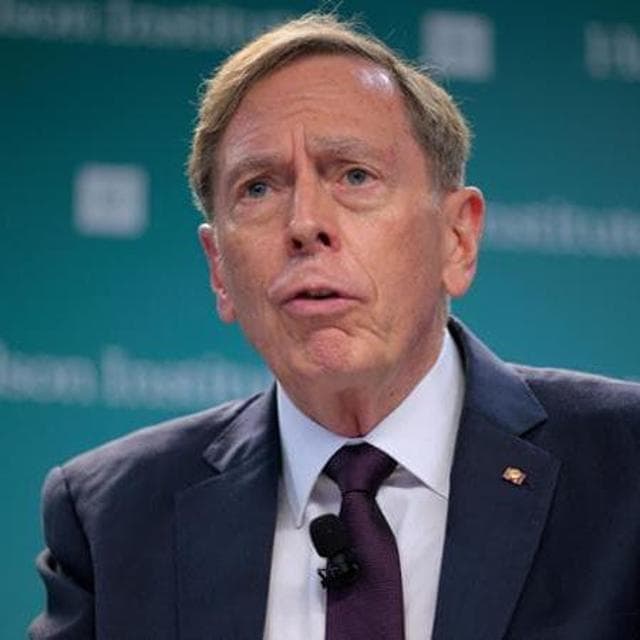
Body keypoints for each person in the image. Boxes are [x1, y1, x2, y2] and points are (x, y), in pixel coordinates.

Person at [29, 13, 640, 640]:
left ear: (457, 237)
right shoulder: (111, 521)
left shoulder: (625, 466)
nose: (305, 224)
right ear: (218, 270)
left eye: (354, 175)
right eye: (259, 188)